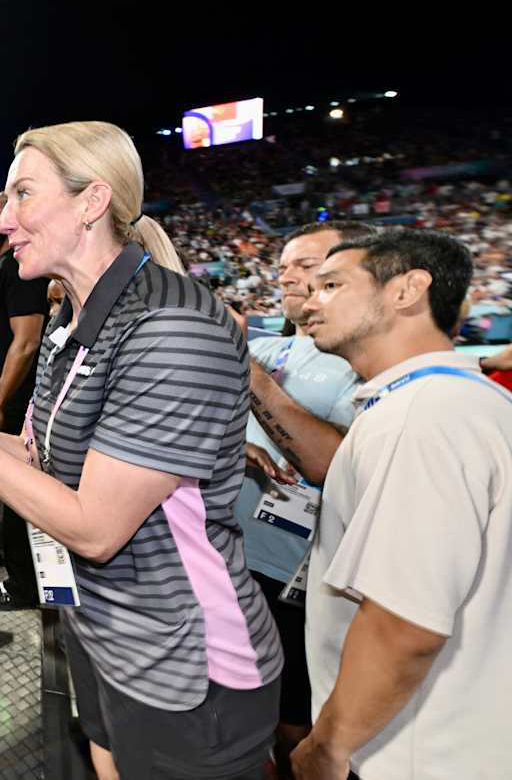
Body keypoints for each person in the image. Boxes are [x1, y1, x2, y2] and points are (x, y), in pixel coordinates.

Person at [0, 121, 283, 780]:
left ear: (92, 201)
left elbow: (95, 527)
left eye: (22, 196)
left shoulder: (174, 324)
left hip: (187, 667)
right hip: (101, 634)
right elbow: (36, 453)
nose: (3, 220)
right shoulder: (73, 322)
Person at [293, 230, 512, 780]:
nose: (310, 301)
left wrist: (329, 746)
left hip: (410, 750)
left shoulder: (422, 417)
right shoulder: (464, 401)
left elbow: (405, 625)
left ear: (408, 290)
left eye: (333, 284)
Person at [228, 220, 370, 779]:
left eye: (305, 266)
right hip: (230, 554)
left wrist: (247, 369)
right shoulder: (270, 343)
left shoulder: (359, 365)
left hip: (298, 576)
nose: (285, 274)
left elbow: (329, 464)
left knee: (298, 726)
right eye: (283, 264)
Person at [0, 189, 49, 610]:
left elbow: (26, 343)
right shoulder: (3, 265)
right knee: (8, 488)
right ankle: (18, 560)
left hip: (16, 401)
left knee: (19, 487)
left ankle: (24, 585)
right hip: (2, 395)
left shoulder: (21, 268)